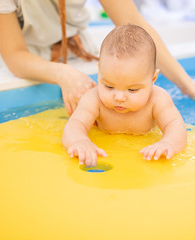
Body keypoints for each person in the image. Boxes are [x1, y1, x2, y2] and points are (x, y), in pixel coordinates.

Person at [0, 0, 195, 116]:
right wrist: (62, 73)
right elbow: (15, 55)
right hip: (32, 66)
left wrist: (187, 85)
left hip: (82, 52)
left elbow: (135, 24)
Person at [62, 24, 187, 167]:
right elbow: (75, 124)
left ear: (153, 79)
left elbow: (176, 126)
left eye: (132, 90)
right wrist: (80, 141)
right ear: (99, 72)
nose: (119, 97)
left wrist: (168, 143)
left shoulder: (158, 99)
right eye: (109, 86)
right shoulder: (93, 99)